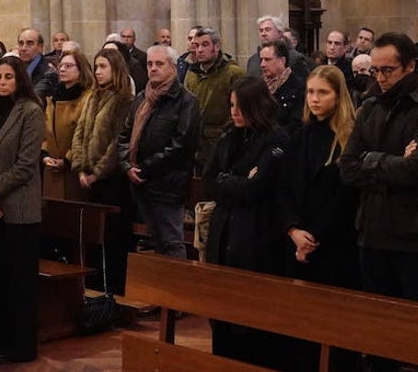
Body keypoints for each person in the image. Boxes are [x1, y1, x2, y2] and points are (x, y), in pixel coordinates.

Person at [339, 32, 418, 372]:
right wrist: (387, 161)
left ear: (410, 66)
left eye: (388, 70)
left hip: (415, 236)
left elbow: (416, 170)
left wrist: (375, 161)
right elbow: (348, 167)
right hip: (372, 232)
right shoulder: (371, 104)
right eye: (376, 70)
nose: (380, 78)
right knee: (379, 334)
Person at [277, 66, 361, 372]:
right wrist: (292, 229)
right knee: (301, 322)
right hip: (296, 241)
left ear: (338, 96)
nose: (314, 99)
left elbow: (344, 196)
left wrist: (313, 236)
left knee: (335, 326)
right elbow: (282, 188)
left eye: (322, 93)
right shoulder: (298, 135)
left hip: (334, 246)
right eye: (310, 92)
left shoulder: (349, 137)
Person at [204, 78, 289, 366]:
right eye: (231, 106)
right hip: (224, 231)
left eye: (240, 106)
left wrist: (229, 181)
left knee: (249, 312)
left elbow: (257, 189)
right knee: (222, 309)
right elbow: (209, 180)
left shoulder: (276, 140)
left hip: (255, 234)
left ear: (256, 106)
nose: (234, 112)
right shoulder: (229, 137)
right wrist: (237, 180)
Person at [0, 57, 46, 363]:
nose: (3, 82)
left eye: (9, 77)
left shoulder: (31, 111)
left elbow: (26, 165)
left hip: (19, 209)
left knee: (20, 280)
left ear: (20, 80)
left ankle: (22, 345)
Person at [117, 45, 201, 257]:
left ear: (173, 67)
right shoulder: (142, 99)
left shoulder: (186, 102)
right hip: (141, 184)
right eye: (149, 64)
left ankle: (176, 288)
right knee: (154, 241)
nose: (153, 68)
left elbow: (181, 146)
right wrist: (127, 165)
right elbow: (124, 136)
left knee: (171, 242)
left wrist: (143, 169)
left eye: (159, 64)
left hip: (168, 185)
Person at [69, 47, 136, 294]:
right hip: (88, 180)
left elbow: (118, 141)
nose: (98, 71)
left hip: (112, 182)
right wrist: (80, 168)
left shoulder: (124, 100)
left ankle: (114, 293)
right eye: (96, 66)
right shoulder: (92, 97)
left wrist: (97, 172)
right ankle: (94, 290)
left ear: (116, 69)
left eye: (103, 67)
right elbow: (79, 133)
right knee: (93, 240)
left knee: (113, 240)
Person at [184, 27, 247, 174]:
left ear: (217, 46)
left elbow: (241, 110)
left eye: (205, 45)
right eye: (197, 46)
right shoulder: (193, 73)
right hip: (197, 142)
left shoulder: (233, 73)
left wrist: (225, 135)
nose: (199, 50)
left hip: (222, 141)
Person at [41, 48, 94, 199]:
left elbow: (84, 134)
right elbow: (46, 129)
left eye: (68, 66)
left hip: (74, 168)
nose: (62, 69)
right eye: (61, 66)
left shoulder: (88, 98)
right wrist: (45, 154)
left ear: (81, 69)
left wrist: (67, 160)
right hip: (51, 168)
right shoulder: (54, 96)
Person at [258, 38, 306, 131]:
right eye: (261, 60)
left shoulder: (298, 87)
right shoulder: (259, 86)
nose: (262, 64)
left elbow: (297, 123)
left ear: (282, 60)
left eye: (267, 59)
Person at [14, 27, 59, 99]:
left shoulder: (49, 73)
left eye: (30, 43)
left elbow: (33, 100)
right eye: (21, 43)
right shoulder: (16, 69)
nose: (23, 48)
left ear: (40, 47)